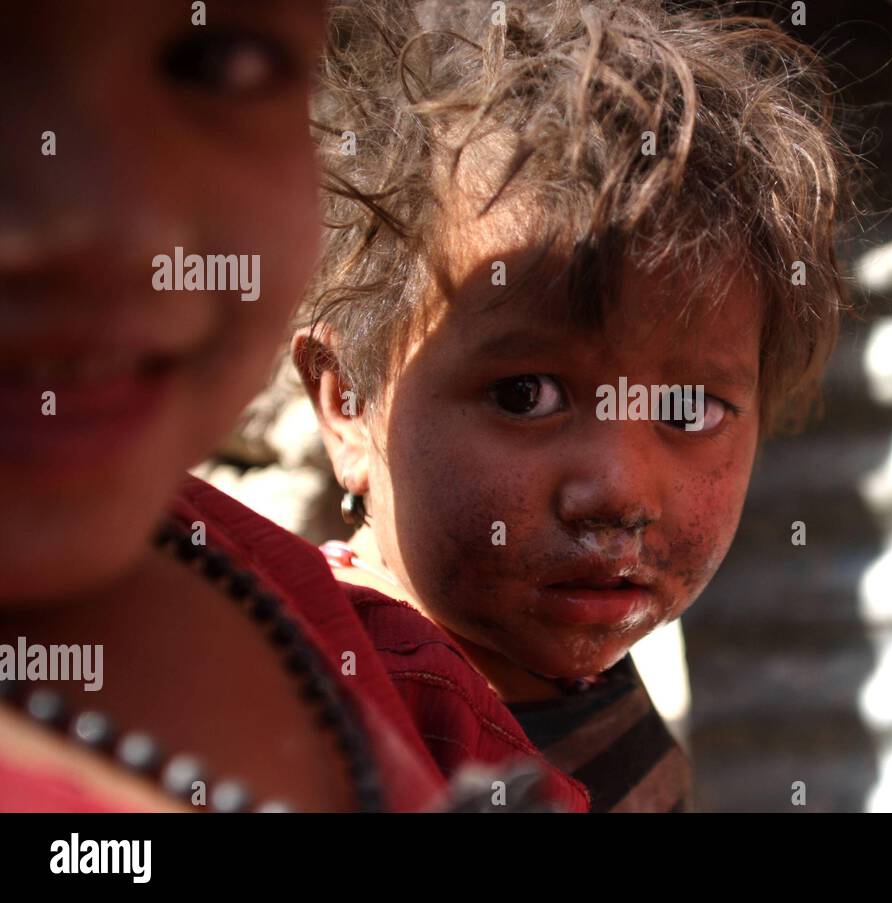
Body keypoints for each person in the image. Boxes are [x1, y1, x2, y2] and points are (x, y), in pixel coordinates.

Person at [0, 0, 584, 813]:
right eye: (525, 394)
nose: (120, 227)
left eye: (224, 62)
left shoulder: (290, 598)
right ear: (342, 399)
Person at [296, 0, 860, 811]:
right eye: (527, 395)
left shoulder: (563, 672)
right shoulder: (318, 695)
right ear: (348, 400)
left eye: (690, 407)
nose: (620, 491)